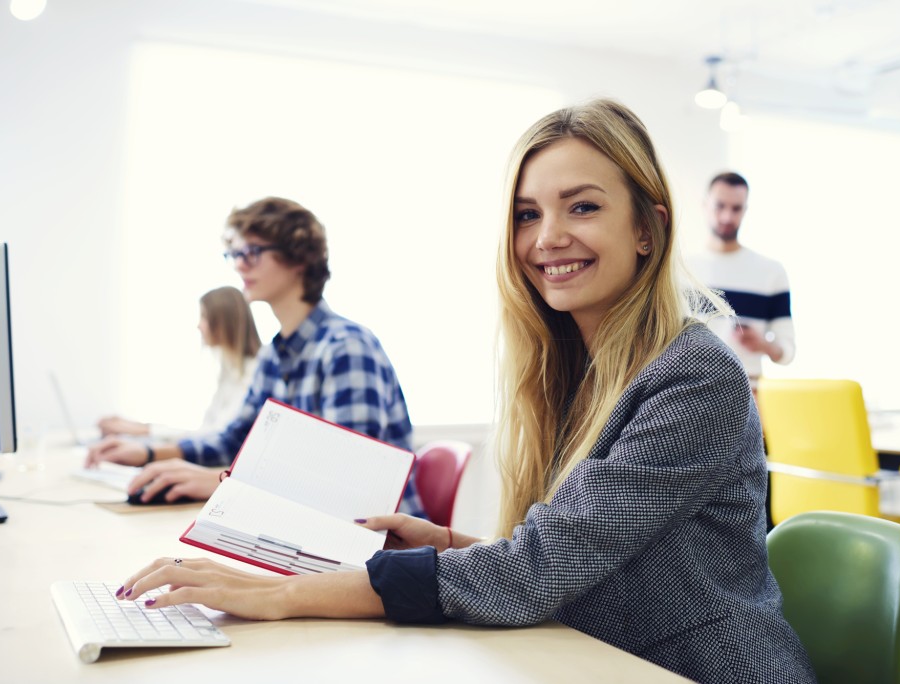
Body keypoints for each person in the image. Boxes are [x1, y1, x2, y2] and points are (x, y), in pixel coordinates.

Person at [112, 101, 815, 682]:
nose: (548, 237)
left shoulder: (693, 376)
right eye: (527, 214)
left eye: (583, 207)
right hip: (604, 657)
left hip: (700, 669)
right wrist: (454, 545)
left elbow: (539, 572)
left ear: (647, 227)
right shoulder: (578, 369)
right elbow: (584, 561)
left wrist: (283, 594)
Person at [86, 197, 425, 518]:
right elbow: (235, 439)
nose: (238, 265)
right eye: (234, 254)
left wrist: (222, 482)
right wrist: (147, 454)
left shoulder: (345, 346)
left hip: (380, 551)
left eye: (253, 252)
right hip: (315, 532)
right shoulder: (274, 355)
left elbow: (348, 481)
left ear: (299, 258)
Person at [96, 286, 261, 440]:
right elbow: (204, 430)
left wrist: (141, 430)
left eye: (204, 317)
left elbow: (216, 436)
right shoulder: (229, 370)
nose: (199, 326)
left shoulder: (253, 374)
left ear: (224, 321)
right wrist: (134, 427)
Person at [686, 172, 795, 389]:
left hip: (748, 390)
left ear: (745, 210)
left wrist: (765, 345)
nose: (727, 217)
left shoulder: (771, 272)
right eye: (720, 206)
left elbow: (788, 351)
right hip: (690, 388)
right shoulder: (681, 270)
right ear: (705, 205)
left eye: (736, 208)